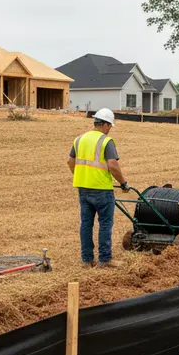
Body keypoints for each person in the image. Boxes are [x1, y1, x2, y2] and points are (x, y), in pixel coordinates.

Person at [67, 108, 128, 268]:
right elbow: (113, 165)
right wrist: (123, 183)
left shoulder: (79, 139)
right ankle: (105, 260)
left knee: (86, 224)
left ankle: (87, 260)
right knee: (105, 224)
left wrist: (80, 175)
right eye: (110, 126)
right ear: (106, 124)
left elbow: (70, 162)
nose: (109, 130)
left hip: (83, 189)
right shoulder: (106, 141)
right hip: (102, 190)